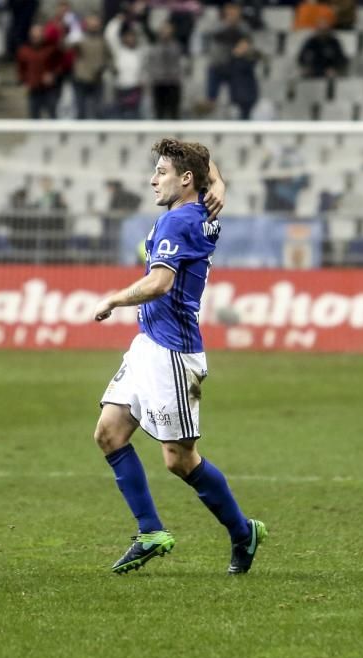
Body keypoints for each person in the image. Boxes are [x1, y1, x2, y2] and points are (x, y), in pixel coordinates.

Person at [91, 138, 266, 575]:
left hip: (173, 353)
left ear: (186, 180)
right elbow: (206, 171)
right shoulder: (203, 210)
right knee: (109, 433)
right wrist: (219, 179)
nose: (153, 179)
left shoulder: (177, 224)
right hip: (148, 343)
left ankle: (244, 533)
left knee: (179, 459)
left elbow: (159, 284)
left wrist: (114, 299)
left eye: (162, 172)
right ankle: (150, 531)